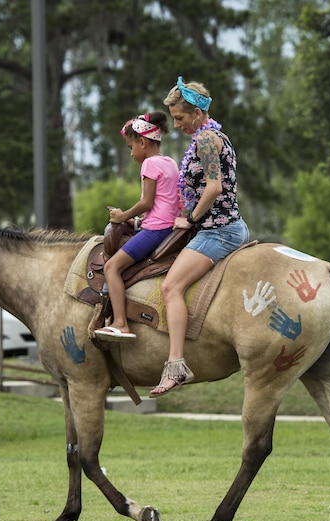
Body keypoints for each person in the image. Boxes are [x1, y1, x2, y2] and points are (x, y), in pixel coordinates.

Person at [149, 77, 250, 397]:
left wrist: (190, 219)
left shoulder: (207, 139)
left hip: (219, 230)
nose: (175, 124)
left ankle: (176, 364)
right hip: (216, 225)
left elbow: (215, 187)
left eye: (179, 117)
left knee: (171, 286)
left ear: (196, 113)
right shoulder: (211, 136)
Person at [94, 111, 181, 342]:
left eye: (131, 146)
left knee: (112, 267)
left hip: (156, 231)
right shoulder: (170, 162)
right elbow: (163, 205)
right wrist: (134, 222)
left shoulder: (150, 164)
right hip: (169, 227)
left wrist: (123, 215)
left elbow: (146, 202)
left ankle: (120, 323)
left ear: (142, 142)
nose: (131, 153)